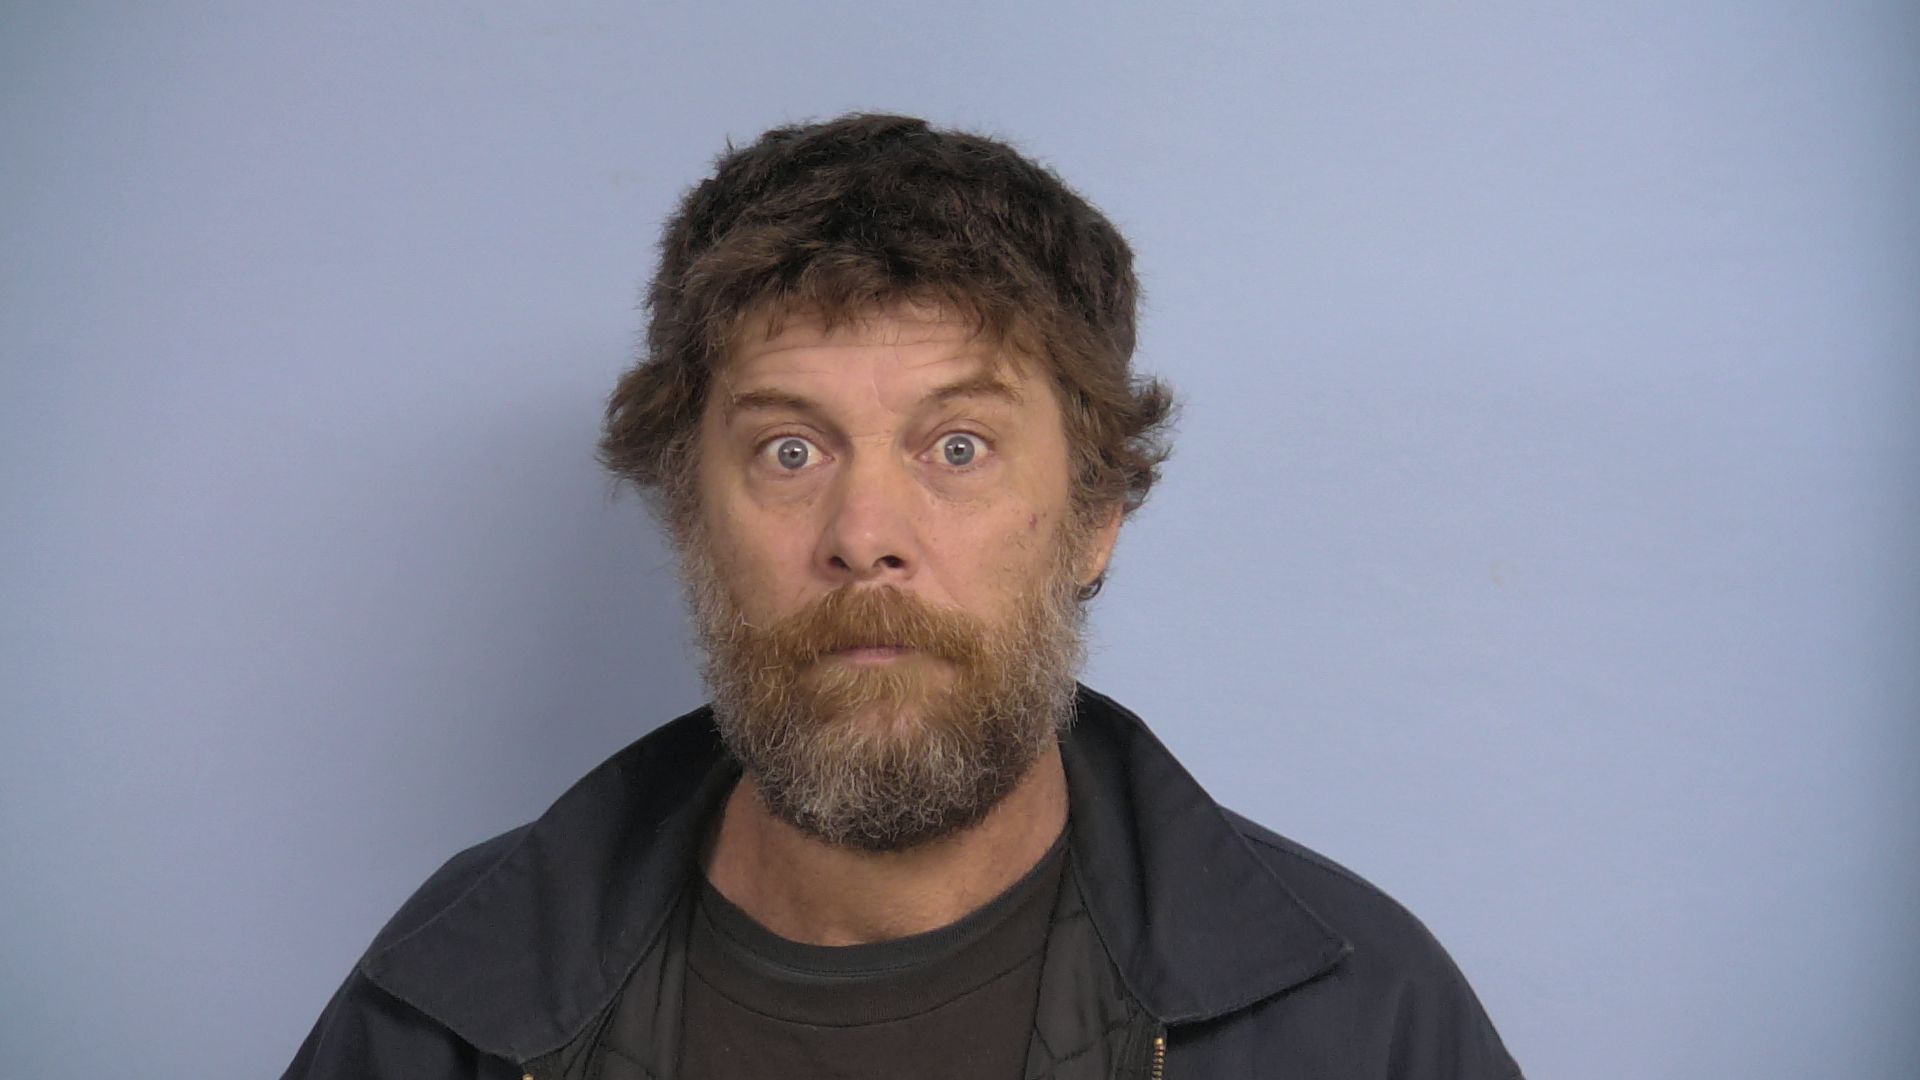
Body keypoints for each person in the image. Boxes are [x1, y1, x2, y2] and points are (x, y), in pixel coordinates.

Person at [284, 112, 1523, 1079]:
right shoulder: (445, 1004)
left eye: (958, 448)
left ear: (1095, 520)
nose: (865, 538)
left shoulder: (1360, 1023)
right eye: (790, 451)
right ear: (688, 520)